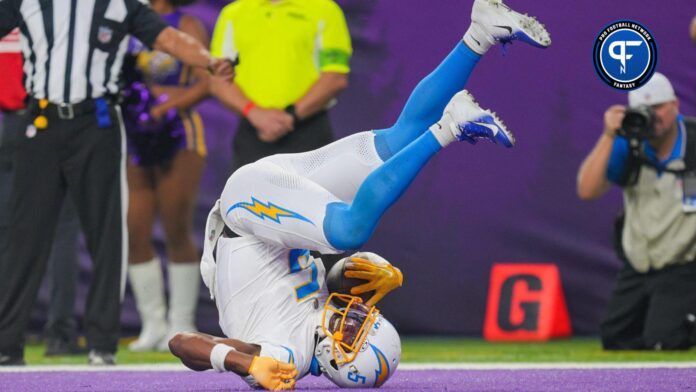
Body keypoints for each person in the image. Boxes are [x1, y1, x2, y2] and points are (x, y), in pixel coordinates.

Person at [168, 0, 550, 389]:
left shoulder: (281, 356)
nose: (353, 318)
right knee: (399, 138)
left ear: (337, 358)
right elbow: (312, 291)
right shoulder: (317, 330)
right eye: (362, 320)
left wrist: (242, 363)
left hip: (248, 212)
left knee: (347, 231)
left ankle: (448, 130)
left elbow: (182, 342)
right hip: (275, 204)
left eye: (353, 332)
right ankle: (479, 34)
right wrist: (359, 276)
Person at [0, 0, 232, 366]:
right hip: (40, 120)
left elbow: (168, 38)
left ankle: (101, 343)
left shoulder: (120, 4)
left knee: (106, 233)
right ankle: (6, 344)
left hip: (98, 121)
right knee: (23, 234)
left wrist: (208, 60)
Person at [577, 72, 696, 350]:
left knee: (665, 339)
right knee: (615, 338)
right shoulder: (627, 143)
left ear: (675, 105)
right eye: (644, 110)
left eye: (658, 108)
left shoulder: (694, 141)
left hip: (685, 263)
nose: (652, 117)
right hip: (640, 263)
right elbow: (587, 190)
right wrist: (609, 135)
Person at [121, 0, 209, 353]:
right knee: (135, 227)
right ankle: (153, 324)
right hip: (138, 135)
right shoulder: (127, 21)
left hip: (179, 132)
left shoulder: (185, 23)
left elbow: (208, 81)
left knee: (175, 224)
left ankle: (181, 322)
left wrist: (167, 106)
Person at [0, 29, 83, 357]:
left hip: (9, 124)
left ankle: (8, 332)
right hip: (44, 121)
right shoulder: (46, 14)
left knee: (8, 234)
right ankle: (60, 334)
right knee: (62, 230)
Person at [209, 0, 352, 172]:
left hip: (308, 131)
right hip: (252, 133)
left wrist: (291, 116)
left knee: (307, 199)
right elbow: (218, 79)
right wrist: (254, 113)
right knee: (249, 198)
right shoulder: (233, 13)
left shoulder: (325, 10)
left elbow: (335, 76)